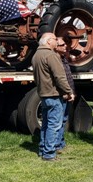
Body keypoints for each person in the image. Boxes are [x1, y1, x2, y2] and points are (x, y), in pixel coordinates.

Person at [32, 33, 74, 161]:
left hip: (43, 94)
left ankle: (43, 150)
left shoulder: (36, 55)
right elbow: (60, 77)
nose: (57, 41)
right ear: (49, 41)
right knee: (54, 125)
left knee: (45, 124)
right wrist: (69, 91)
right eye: (55, 39)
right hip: (54, 95)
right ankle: (49, 153)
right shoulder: (51, 55)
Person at [54, 36, 76, 152]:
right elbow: (60, 79)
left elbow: (68, 77)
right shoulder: (56, 60)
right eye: (62, 45)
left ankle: (61, 142)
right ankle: (57, 145)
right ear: (55, 47)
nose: (65, 46)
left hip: (68, 92)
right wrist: (67, 92)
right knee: (59, 120)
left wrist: (72, 91)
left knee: (63, 119)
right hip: (63, 94)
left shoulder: (63, 58)